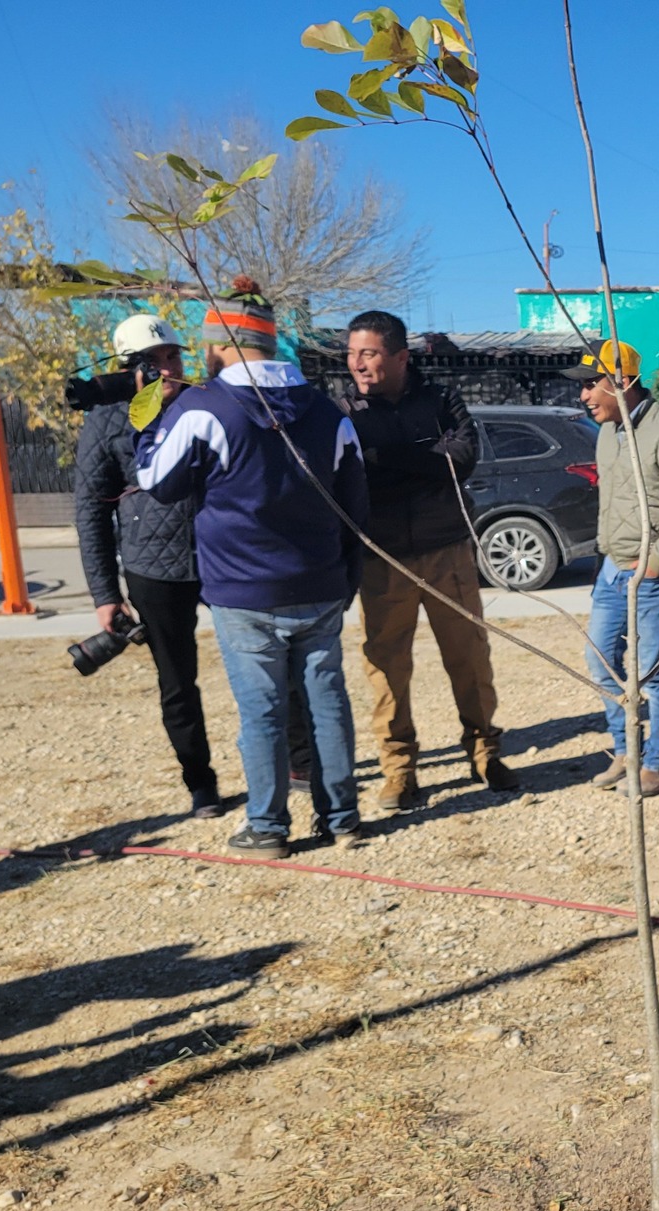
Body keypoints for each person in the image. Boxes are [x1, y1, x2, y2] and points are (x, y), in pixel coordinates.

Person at [136, 276, 371, 859]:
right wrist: (346, 576)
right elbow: (356, 503)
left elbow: (155, 483)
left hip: (243, 591)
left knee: (262, 711)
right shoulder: (326, 411)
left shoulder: (203, 407)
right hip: (319, 584)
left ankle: (267, 827)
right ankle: (342, 818)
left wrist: (151, 420)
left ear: (220, 345)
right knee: (327, 703)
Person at [341, 309, 515, 808]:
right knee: (387, 668)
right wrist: (424, 460)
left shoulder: (440, 399)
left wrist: (386, 456)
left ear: (399, 356)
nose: (357, 364)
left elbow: (462, 459)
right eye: (352, 354)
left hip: (448, 550)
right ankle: (399, 771)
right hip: (383, 558)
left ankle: (486, 753)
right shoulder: (345, 412)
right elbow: (353, 474)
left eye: (369, 353)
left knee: (470, 658)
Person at [72, 313, 222, 819]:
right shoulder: (106, 421)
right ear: (128, 369)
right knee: (178, 682)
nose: (167, 369)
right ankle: (200, 782)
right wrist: (104, 594)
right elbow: (91, 509)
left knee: (269, 660)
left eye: (173, 356)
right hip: (154, 569)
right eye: (152, 362)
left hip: (227, 556)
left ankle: (296, 762)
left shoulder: (208, 404)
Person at [567, 340, 659, 796]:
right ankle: (626, 752)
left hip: (657, 575)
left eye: (592, 385)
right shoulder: (609, 431)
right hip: (612, 570)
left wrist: (654, 563)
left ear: (623, 382)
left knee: (653, 673)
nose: (583, 396)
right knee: (601, 661)